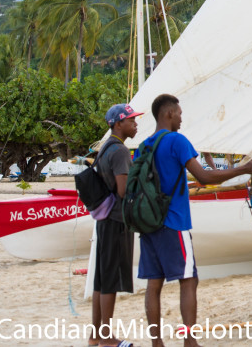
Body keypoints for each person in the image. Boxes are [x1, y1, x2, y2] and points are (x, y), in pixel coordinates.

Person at [139, 94, 252, 347]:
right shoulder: (176, 140)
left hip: (149, 222)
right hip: (173, 221)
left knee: (154, 283)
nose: (182, 118)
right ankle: (190, 341)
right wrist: (244, 169)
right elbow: (204, 177)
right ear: (169, 113)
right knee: (188, 280)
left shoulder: (144, 145)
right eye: (180, 113)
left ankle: (156, 343)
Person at [88, 103, 140, 347]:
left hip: (104, 219)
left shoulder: (105, 147)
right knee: (109, 279)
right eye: (131, 120)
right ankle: (107, 339)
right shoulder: (119, 151)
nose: (135, 123)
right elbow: (123, 190)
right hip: (117, 220)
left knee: (101, 278)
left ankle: (96, 335)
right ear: (118, 124)